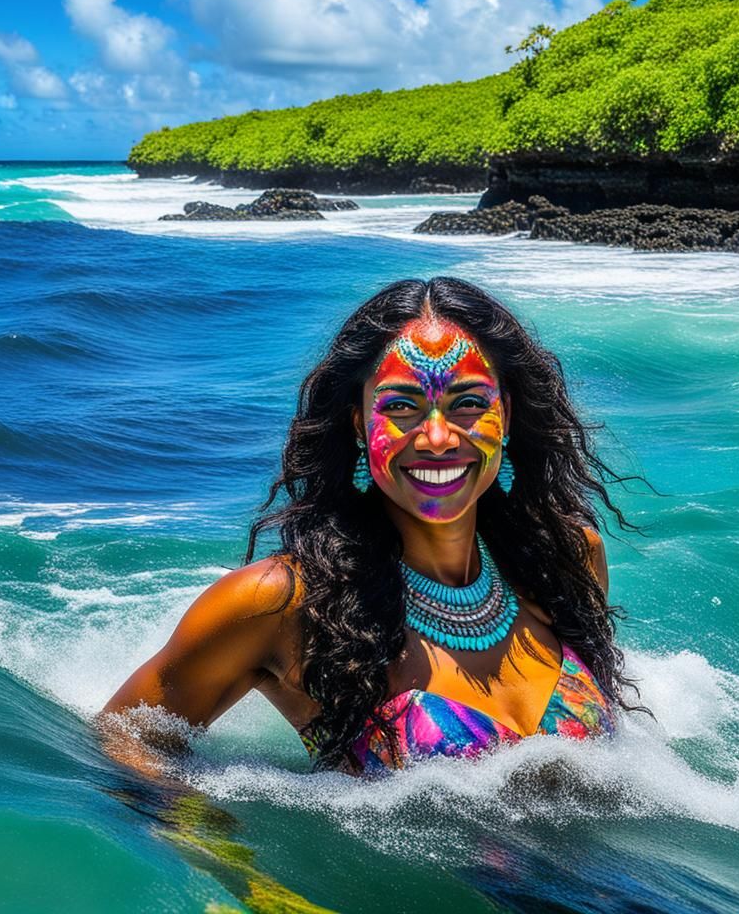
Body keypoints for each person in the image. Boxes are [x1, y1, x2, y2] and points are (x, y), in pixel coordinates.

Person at [99, 276, 642, 776]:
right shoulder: (281, 604)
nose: (437, 438)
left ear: (510, 416)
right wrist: (231, 860)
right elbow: (123, 741)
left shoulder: (565, 558)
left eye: (469, 404)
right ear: (359, 423)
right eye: (401, 406)